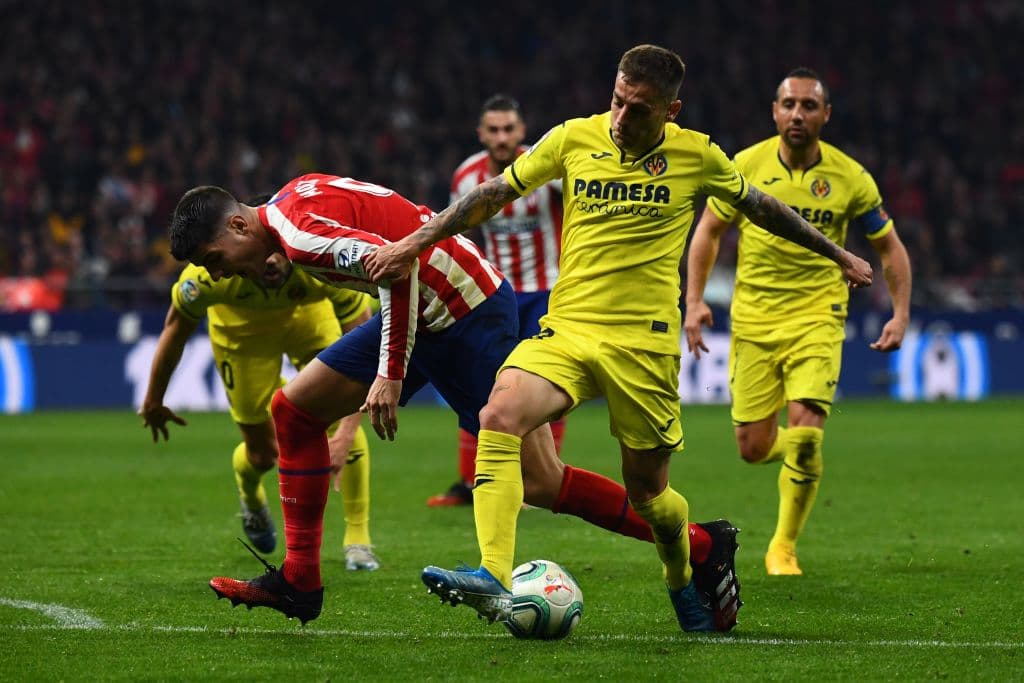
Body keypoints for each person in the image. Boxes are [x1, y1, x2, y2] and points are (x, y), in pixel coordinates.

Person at [364, 44, 873, 633]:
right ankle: (493, 574)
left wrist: (838, 254)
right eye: (617, 101)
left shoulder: (698, 155)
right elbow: (492, 195)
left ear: (671, 111)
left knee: (651, 498)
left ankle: (685, 571)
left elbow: (763, 207)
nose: (621, 118)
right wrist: (412, 243)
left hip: (643, 346)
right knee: (499, 414)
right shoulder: (573, 138)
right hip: (570, 328)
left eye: (639, 109)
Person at [166, 174, 737, 627]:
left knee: (541, 481)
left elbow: (397, 265)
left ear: (238, 225)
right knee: (293, 412)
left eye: (216, 258)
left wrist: (389, 373)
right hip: (420, 311)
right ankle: (299, 581)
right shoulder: (292, 204)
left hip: (466, 311)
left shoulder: (299, 236)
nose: (222, 273)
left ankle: (702, 543)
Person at [684, 68, 912, 576]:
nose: (797, 114)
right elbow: (709, 231)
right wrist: (694, 300)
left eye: (809, 106)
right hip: (754, 320)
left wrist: (900, 314)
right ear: (774, 111)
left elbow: (889, 247)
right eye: (789, 104)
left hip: (818, 318)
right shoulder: (746, 165)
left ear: (825, 115)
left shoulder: (851, 178)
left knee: (808, 434)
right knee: (752, 448)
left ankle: (783, 546)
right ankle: (800, 454)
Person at [139, 245, 382, 571]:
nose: (269, 260)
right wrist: (153, 399)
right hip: (240, 329)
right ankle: (251, 494)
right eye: (260, 254)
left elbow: (365, 356)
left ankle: (358, 542)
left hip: (308, 314)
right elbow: (175, 330)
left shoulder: (320, 259)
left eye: (275, 252)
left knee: (336, 417)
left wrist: (347, 432)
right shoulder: (208, 276)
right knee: (262, 455)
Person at [429, 94, 566, 507]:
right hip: (494, 295)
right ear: (481, 134)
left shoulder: (543, 167)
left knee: (544, 387)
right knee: (478, 383)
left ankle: (543, 482)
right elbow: (459, 235)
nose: (502, 137)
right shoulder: (466, 176)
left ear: (521, 131)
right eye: (494, 130)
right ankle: (469, 483)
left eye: (509, 129)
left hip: (545, 292)